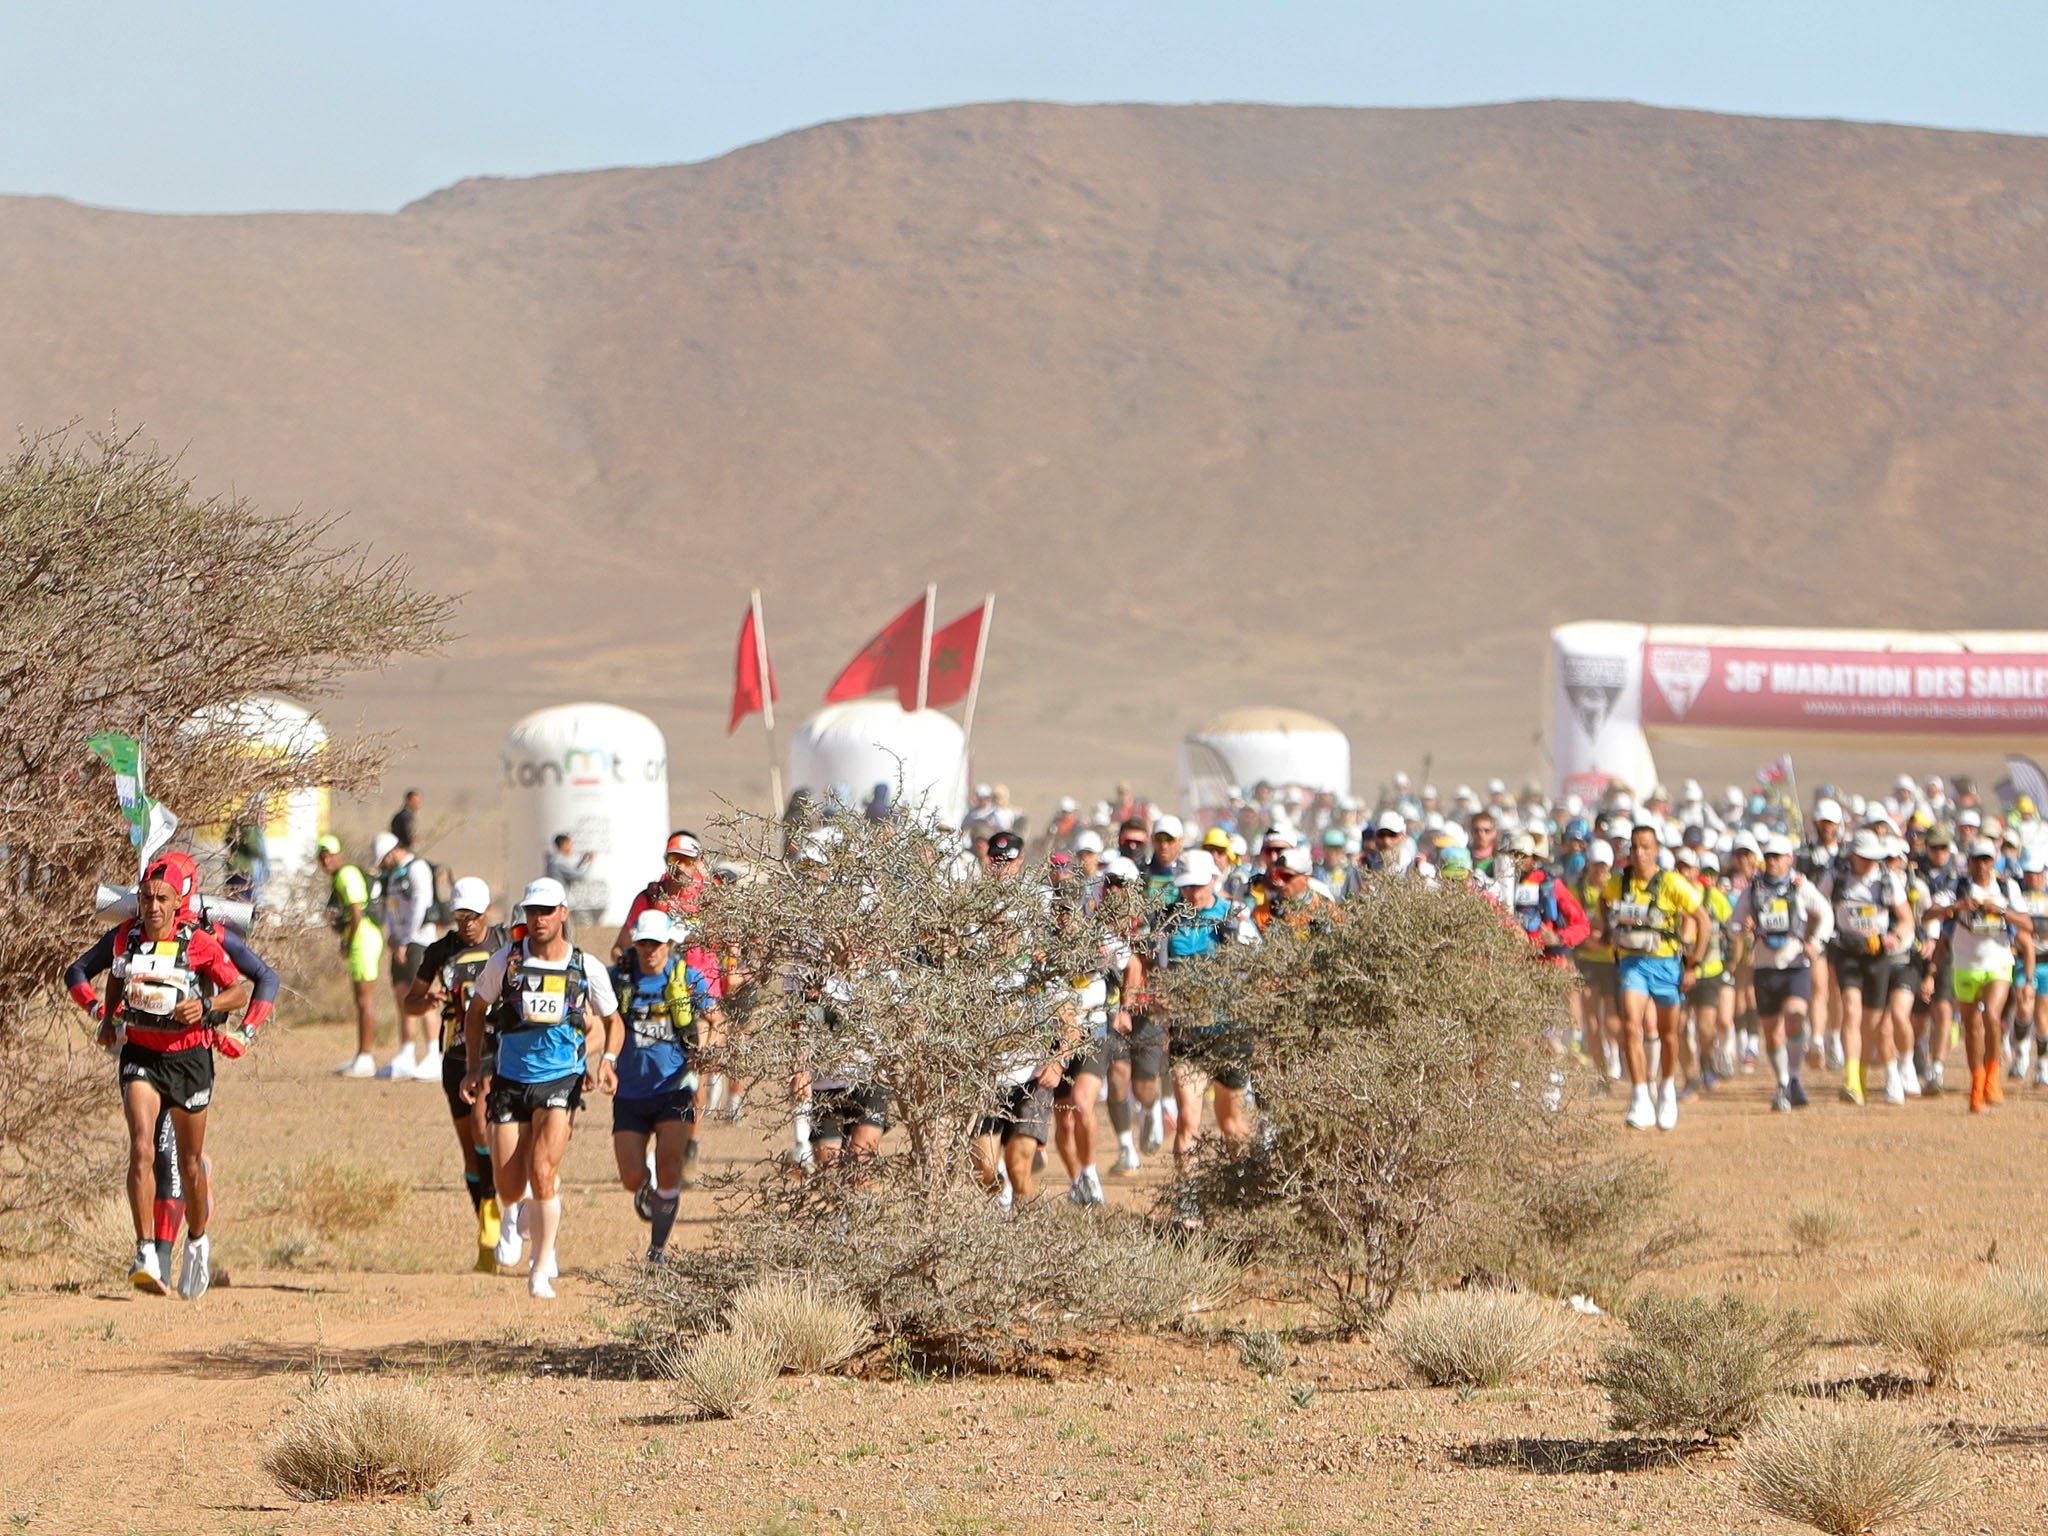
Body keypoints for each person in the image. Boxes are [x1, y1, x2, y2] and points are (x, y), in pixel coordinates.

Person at [66, 861, 276, 1288]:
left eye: (162, 898)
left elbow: (240, 987)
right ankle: (145, 1251)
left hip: (190, 1059)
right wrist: (104, 1017)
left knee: (190, 1164)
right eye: (146, 898)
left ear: (180, 901)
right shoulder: (128, 936)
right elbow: (111, 974)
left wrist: (209, 1008)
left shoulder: (200, 942)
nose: (153, 906)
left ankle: (197, 1241)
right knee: (142, 1148)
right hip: (141, 1055)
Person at [462, 878, 623, 1298]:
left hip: (560, 1079)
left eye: (547, 911)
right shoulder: (505, 961)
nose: (539, 920)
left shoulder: (586, 967)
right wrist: (473, 1065)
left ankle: (541, 1265)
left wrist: (606, 1061)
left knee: (543, 1171)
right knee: (511, 1184)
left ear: (563, 914)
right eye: (533, 912)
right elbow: (476, 1012)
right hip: (510, 1080)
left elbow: (612, 1021)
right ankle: (514, 1215)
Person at [399, 878, 507, 1271]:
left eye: (473, 917)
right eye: (460, 917)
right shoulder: (439, 951)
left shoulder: (503, 943)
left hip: (498, 1051)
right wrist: (425, 1000)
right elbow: (410, 1003)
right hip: (456, 1054)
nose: (466, 925)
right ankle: (487, 1222)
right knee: (470, 1148)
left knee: (482, 1126)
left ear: (487, 913)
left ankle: (499, 1213)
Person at [607, 910, 723, 1264]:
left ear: (670, 944)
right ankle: (645, 1191)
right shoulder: (620, 979)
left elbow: (717, 1018)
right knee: (630, 1177)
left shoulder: (687, 978)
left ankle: (657, 1250)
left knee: (669, 1165)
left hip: (673, 1088)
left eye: (656, 944)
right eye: (643, 943)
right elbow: (599, 1015)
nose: (649, 950)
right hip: (629, 1092)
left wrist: (709, 1053)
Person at [1602, 823, 1705, 1131]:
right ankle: (1639, 1097)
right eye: (1634, 847)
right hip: (1632, 964)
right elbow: (1603, 901)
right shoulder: (1619, 883)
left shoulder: (1672, 883)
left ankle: (1667, 1089)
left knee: (1668, 1033)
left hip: (1666, 966)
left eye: (1645, 847)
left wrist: (1693, 964)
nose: (1639, 853)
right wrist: (1608, 930)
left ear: (1656, 850)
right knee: (1631, 1025)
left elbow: (1702, 920)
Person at [1731, 834, 1832, 1112]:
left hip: (1795, 965)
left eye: (1778, 857)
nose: (1773, 862)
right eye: (1770, 857)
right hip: (1764, 968)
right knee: (1772, 1032)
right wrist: (1745, 927)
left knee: (1794, 1018)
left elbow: (1825, 912)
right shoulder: (1753, 890)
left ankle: (1795, 1077)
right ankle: (1783, 1082)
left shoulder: (1800, 887)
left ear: (1789, 859)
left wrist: (1816, 942)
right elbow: (1733, 925)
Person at [1822, 829, 1915, 1106]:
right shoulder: (1836, 878)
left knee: (1872, 1023)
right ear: (1853, 855)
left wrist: (1895, 936)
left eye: (1873, 859)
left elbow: (1906, 919)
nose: (1869, 864)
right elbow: (1815, 905)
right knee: (1851, 1009)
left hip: (1877, 957)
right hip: (1846, 952)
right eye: (1864, 858)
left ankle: (1861, 1076)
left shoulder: (1887, 881)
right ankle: (1850, 1080)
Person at [1936, 840, 2030, 1113]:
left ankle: (1993, 1077)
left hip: (1998, 962)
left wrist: (2000, 910)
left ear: (1994, 861)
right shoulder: (1957, 886)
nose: (1981, 865)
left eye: (1986, 859)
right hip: (1965, 965)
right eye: (1977, 859)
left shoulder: (2006, 888)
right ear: (1970, 861)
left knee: (1991, 1016)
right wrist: (1956, 906)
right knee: (1972, 1027)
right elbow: (1928, 915)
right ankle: (1977, 1085)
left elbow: (2026, 923)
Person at [375, 830, 440, 1080]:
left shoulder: (417, 868)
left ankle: (434, 1054)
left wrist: (407, 939)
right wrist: (393, 936)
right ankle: (406, 1053)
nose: (382, 865)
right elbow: (391, 908)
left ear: (393, 851)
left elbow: (420, 905)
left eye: (383, 859)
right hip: (401, 942)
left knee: (422, 998)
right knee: (403, 998)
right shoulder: (392, 876)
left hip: (420, 942)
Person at [320, 834, 386, 1078]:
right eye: (322, 856)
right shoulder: (339, 877)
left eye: (329, 854)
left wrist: (348, 940)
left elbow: (357, 911)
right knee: (360, 999)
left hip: (363, 939)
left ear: (338, 854)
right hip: (361, 937)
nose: (326, 860)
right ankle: (360, 1054)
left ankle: (366, 1057)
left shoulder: (346, 875)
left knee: (365, 999)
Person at [543, 832, 597, 928]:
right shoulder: (559, 862)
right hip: (559, 902)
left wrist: (582, 861)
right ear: (563, 844)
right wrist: (591, 863)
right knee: (563, 931)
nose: (571, 848)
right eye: (569, 844)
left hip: (553, 901)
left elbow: (571, 872)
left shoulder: (554, 861)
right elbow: (581, 876)